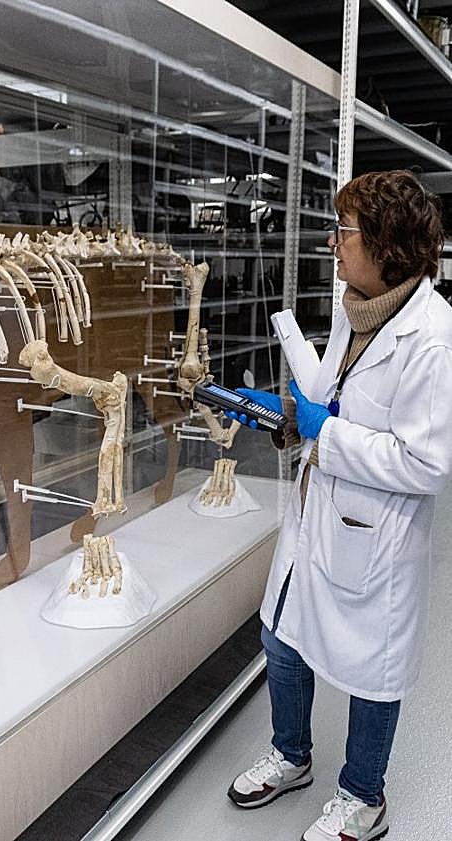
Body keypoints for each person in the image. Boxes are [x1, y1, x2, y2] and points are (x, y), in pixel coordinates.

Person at [225, 170, 452, 841]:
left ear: (388, 244)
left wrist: (328, 432)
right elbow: (332, 392)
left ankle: (363, 795)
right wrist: (291, 416)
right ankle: (292, 755)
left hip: (374, 534)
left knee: (371, 668)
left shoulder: (433, 340)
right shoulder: (356, 306)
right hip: (314, 511)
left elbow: (426, 462)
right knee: (281, 634)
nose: (332, 242)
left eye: (344, 230)